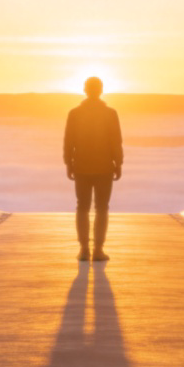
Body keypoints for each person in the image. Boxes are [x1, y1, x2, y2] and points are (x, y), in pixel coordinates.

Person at [63, 77, 123, 261]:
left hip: (81, 166)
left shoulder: (75, 113)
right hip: (104, 166)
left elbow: (68, 141)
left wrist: (69, 163)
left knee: (82, 207)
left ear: (85, 90)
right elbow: (116, 141)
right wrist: (118, 163)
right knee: (102, 208)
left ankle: (83, 250)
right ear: (101, 90)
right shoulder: (110, 113)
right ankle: (98, 250)